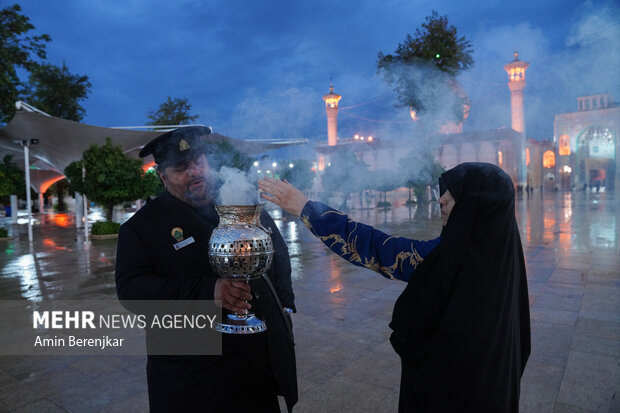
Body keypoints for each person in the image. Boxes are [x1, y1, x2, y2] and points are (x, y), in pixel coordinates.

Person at [259, 162, 531, 412]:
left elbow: (381, 250)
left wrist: (306, 208)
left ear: (479, 203)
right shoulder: (504, 258)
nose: (441, 198)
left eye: (454, 193)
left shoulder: (451, 260)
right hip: (494, 389)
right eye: (443, 190)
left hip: (454, 392)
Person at [115, 126, 297, 413]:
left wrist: (285, 305)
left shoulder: (237, 202)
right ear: (163, 177)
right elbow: (132, 290)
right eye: (181, 167)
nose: (194, 172)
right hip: (192, 376)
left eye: (199, 161)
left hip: (254, 366)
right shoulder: (140, 228)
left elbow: (277, 250)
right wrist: (208, 291)